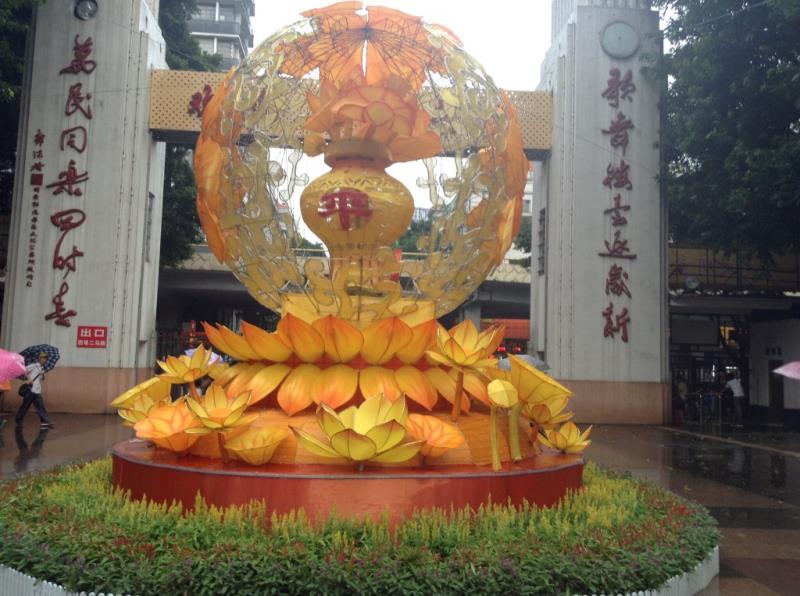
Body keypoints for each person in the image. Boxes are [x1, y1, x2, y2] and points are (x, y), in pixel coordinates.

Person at [15, 352, 53, 429]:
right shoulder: (33, 365)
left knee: (40, 406)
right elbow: (23, 370)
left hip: (37, 390)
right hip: (30, 390)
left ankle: (45, 421)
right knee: (25, 406)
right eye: (43, 358)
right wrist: (29, 378)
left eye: (46, 358)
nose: (45, 360)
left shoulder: (42, 368)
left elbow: (41, 379)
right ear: (40, 358)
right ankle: (18, 420)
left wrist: (42, 376)